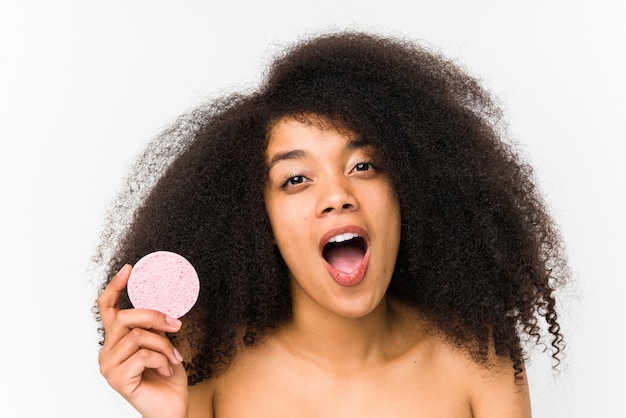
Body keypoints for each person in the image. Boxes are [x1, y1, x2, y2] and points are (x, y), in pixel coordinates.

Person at [94, 31, 568, 417]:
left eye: (363, 166)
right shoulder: (199, 367)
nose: (337, 196)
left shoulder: (479, 357)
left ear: (410, 185)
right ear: (256, 218)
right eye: (296, 178)